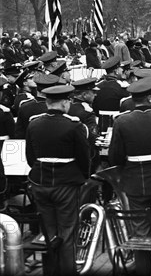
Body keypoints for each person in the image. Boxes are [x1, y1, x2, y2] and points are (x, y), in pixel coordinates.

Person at [108, 77, 151, 275]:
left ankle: (142, 269)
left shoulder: (121, 121)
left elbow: (115, 156)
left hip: (134, 180)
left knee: (139, 229)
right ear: (150, 97)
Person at [25, 85, 90, 276]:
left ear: (47, 102)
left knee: (49, 232)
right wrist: (83, 177)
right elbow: (84, 158)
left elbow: (30, 157)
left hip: (40, 181)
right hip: (66, 183)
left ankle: (51, 271)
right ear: (65, 102)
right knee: (68, 232)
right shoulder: (74, 125)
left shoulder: (33, 124)